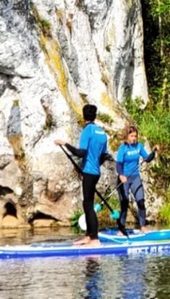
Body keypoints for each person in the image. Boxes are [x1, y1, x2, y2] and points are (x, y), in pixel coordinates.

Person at [55, 104, 110, 246]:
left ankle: (95, 239)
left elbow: (81, 152)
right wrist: (89, 168)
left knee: (88, 204)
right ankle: (88, 236)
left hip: (90, 172)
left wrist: (64, 143)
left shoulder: (87, 131)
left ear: (84, 117)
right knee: (88, 203)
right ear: (95, 116)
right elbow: (104, 155)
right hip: (95, 172)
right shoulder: (102, 132)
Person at [115, 125, 159, 233]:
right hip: (124, 178)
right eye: (132, 136)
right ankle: (121, 229)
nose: (134, 138)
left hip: (135, 178)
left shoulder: (139, 146)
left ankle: (143, 226)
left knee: (141, 201)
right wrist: (121, 175)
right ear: (127, 137)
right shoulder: (123, 148)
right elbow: (118, 164)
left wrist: (153, 152)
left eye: (135, 136)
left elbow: (147, 159)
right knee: (124, 203)